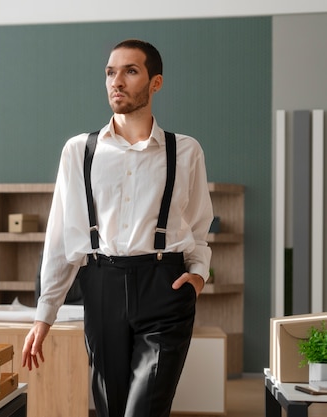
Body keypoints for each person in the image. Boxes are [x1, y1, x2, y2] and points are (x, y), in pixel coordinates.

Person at [21, 39, 214, 417]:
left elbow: (199, 226)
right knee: (110, 408)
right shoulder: (80, 151)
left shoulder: (185, 151)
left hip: (165, 288)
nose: (117, 81)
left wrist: (198, 277)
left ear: (155, 82)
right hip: (101, 286)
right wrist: (45, 315)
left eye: (130, 71)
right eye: (111, 72)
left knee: (144, 410)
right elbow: (61, 238)